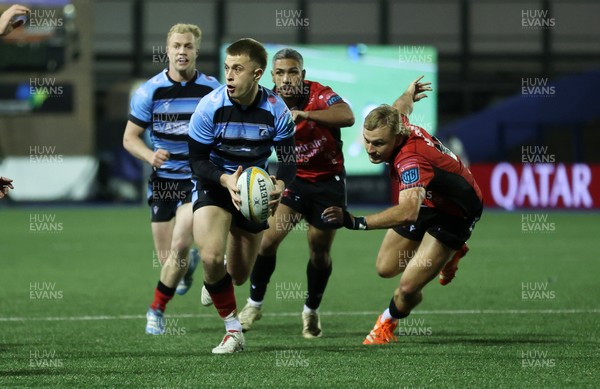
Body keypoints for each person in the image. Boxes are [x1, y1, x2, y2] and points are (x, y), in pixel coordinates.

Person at [322, 76, 482, 345]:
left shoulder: (411, 160)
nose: (371, 150)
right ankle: (446, 255)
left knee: (407, 288)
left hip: (455, 213)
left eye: (378, 144)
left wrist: (355, 222)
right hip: (429, 201)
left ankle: (387, 322)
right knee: (385, 268)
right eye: (367, 141)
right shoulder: (396, 122)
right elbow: (401, 106)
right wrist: (409, 92)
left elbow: (408, 211)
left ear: (397, 137)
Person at [188, 38, 296, 354]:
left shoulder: (277, 110)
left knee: (236, 276)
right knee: (210, 255)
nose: (230, 76)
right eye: (227, 68)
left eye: (238, 69)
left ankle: (213, 278)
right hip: (217, 182)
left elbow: (289, 161)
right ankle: (233, 332)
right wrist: (224, 180)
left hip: (254, 190)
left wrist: (279, 185)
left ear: (257, 73)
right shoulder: (210, 106)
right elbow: (196, 161)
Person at [238, 48, 355, 339]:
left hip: (328, 184)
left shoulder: (319, 94)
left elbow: (348, 116)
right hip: (293, 181)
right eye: (280, 72)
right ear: (271, 76)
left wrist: (306, 114)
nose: (287, 78)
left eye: (293, 72)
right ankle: (254, 305)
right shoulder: (267, 100)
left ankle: (311, 311)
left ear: (302, 75)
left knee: (319, 253)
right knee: (266, 243)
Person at [122, 23, 220, 335]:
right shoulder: (149, 91)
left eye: (188, 46)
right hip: (163, 181)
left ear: (196, 51)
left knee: (179, 243)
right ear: (167, 49)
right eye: (176, 45)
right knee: (169, 260)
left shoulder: (212, 90)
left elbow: (221, 133)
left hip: (195, 179)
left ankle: (156, 312)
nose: (182, 51)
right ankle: (188, 266)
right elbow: (130, 138)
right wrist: (150, 156)